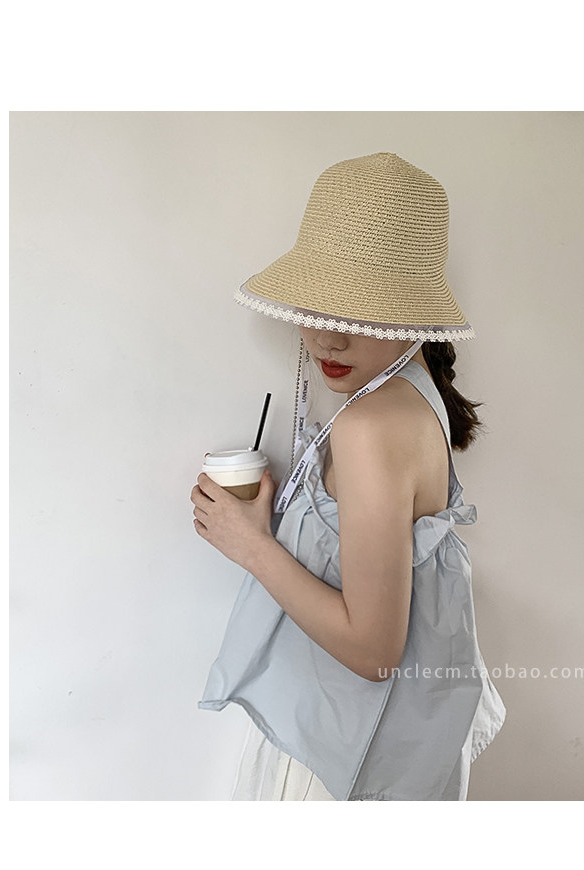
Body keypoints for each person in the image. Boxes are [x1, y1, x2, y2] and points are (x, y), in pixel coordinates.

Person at [192, 152, 506, 800]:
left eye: (358, 312)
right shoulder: (411, 391)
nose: (327, 339)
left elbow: (373, 652)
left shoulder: (370, 426)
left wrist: (249, 544)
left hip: (340, 759)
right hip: (375, 744)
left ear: (413, 312)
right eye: (317, 304)